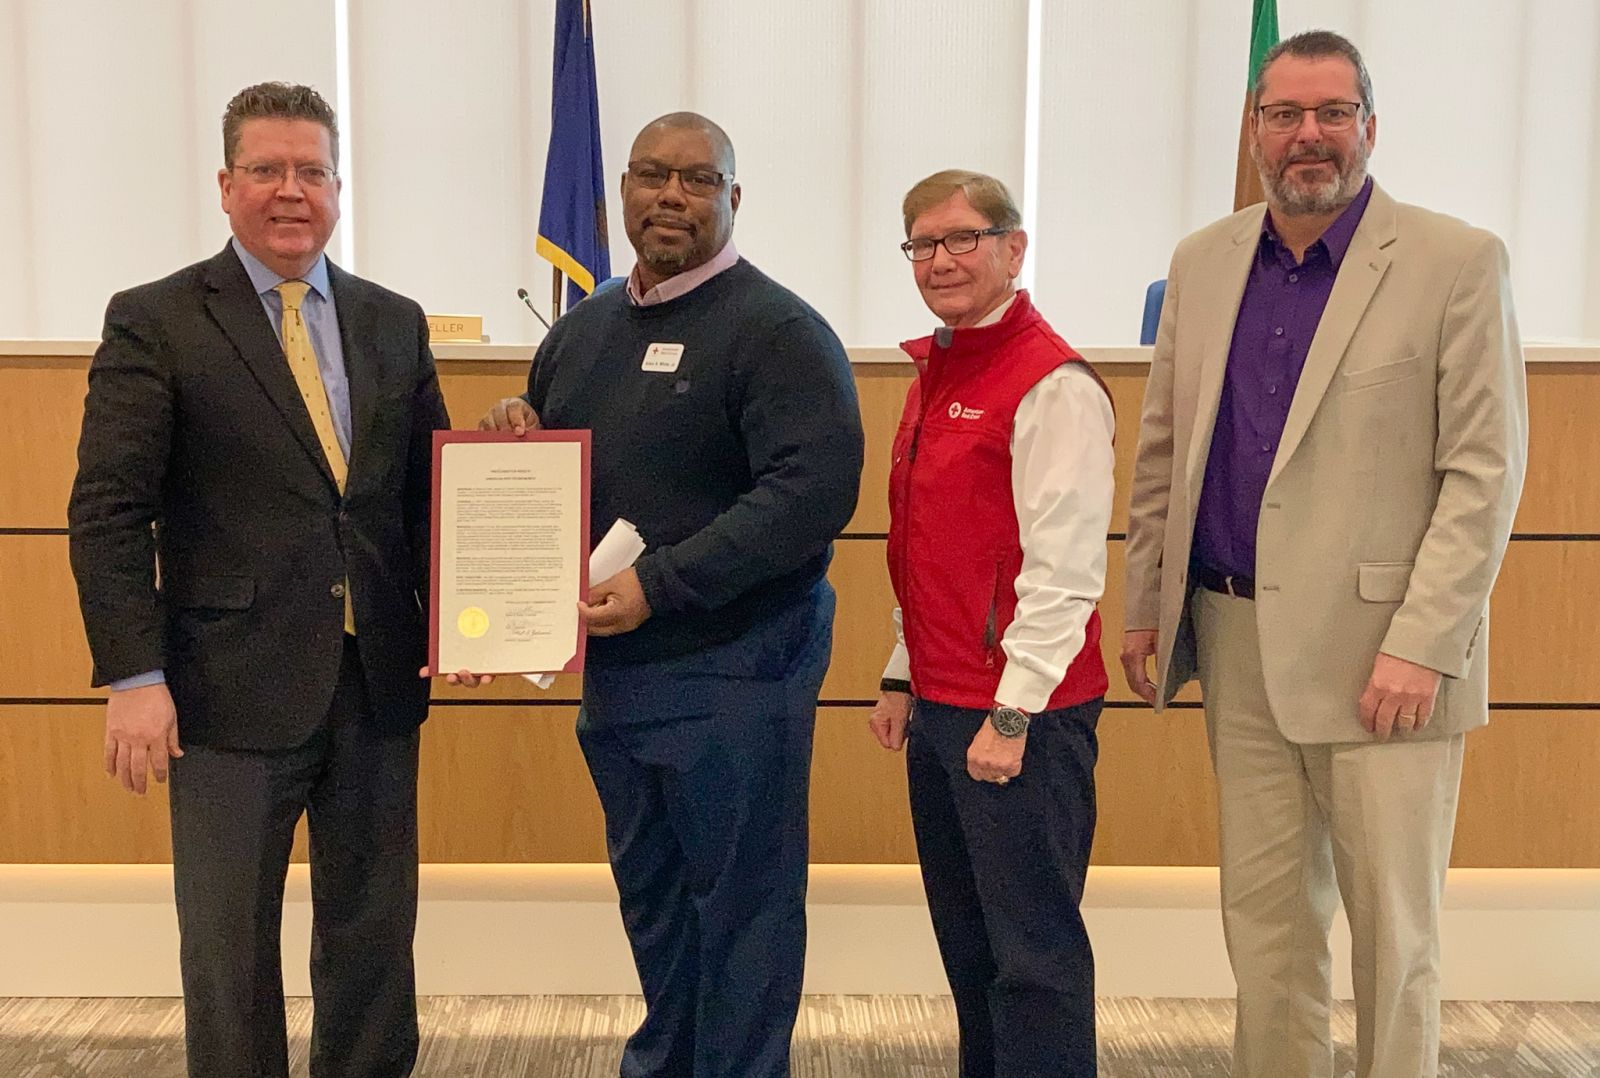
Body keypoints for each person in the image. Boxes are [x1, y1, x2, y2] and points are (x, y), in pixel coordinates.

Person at [1121, 31, 1527, 1078]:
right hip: (1232, 635)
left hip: (1381, 658)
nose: (1308, 136)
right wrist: (1144, 605)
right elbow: (1166, 448)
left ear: (1368, 128)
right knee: (1264, 934)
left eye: (1330, 113)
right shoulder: (1201, 261)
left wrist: (1426, 644)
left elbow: (1483, 475)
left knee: (1394, 941)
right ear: (1254, 130)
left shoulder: (1453, 259)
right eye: (1284, 114)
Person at [67, 82, 449, 1078]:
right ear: (227, 185)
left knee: (373, 940)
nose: (293, 191)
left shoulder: (391, 322)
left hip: (375, 682)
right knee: (229, 948)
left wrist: (469, 625)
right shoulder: (156, 320)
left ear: (338, 187)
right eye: (269, 171)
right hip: (222, 688)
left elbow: (425, 499)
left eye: (312, 171)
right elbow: (110, 510)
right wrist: (133, 676)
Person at [479, 111, 863, 1078]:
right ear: (622, 191)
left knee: (742, 910)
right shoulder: (584, 329)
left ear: (735, 199)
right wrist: (518, 431)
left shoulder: (779, 331)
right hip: (621, 678)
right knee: (652, 899)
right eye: (653, 175)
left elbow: (809, 498)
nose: (672, 196)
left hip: (740, 667)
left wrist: (662, 584)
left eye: (699, 180)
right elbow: (563, 476)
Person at [866, 170, 1115, 1078]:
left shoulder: (1052, 383)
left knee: (1035, 960)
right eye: (923, 244)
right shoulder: (938, 368)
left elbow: (1063, 574)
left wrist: (1012, 716)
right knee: (972, 952)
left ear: (1014, 248)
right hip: (940, 707)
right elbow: (935, 551)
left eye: (964, 238)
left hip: (1021, 721)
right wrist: (901, 673)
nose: (942, 260)